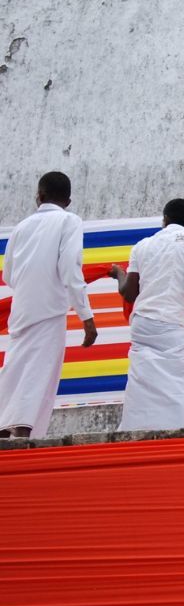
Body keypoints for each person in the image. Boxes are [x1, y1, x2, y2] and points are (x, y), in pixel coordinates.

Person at [0, 172, 97, 438]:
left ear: (39, 196)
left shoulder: (22, 227)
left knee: (15, 368)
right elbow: (70, 269)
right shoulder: (69, 220)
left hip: (21, 310)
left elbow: (8, 275)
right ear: (68, 199)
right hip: (50, 309)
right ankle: (22, 431)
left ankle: (5, 427)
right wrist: (86, 316)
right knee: (38, 372)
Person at [111, 198, 184, 431]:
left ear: (164, 220)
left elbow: (129, 293)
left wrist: (118, 274)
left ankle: (136, 434)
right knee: (181, 385)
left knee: (141, 384)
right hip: (171, 322)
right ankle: (178, 434)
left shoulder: (142, 245)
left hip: (142, 323)